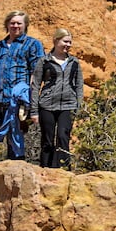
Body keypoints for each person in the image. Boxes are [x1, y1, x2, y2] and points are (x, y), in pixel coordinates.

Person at [0, 10, 44, 173]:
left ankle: (13, 178)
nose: (15, 26)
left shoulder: (33, 44)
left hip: (18, 100)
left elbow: (37, 72)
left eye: (19, 23)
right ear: (7, 25)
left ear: (25, 25)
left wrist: (31, 98)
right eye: (12, 23)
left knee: (15, 140)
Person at [36, 28, 84, 168]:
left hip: (68, 106)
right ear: (56, 41)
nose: (68, 45)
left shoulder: (74, 62)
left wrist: (78, 106)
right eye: (65, 41)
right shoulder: (44, 61)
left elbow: (79, 85)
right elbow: (36, 85)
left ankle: (62, 170)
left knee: (63, 137)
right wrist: (33, 110)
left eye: (70, 42)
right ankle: (45, 170)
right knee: (47, 140)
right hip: (47, 105)